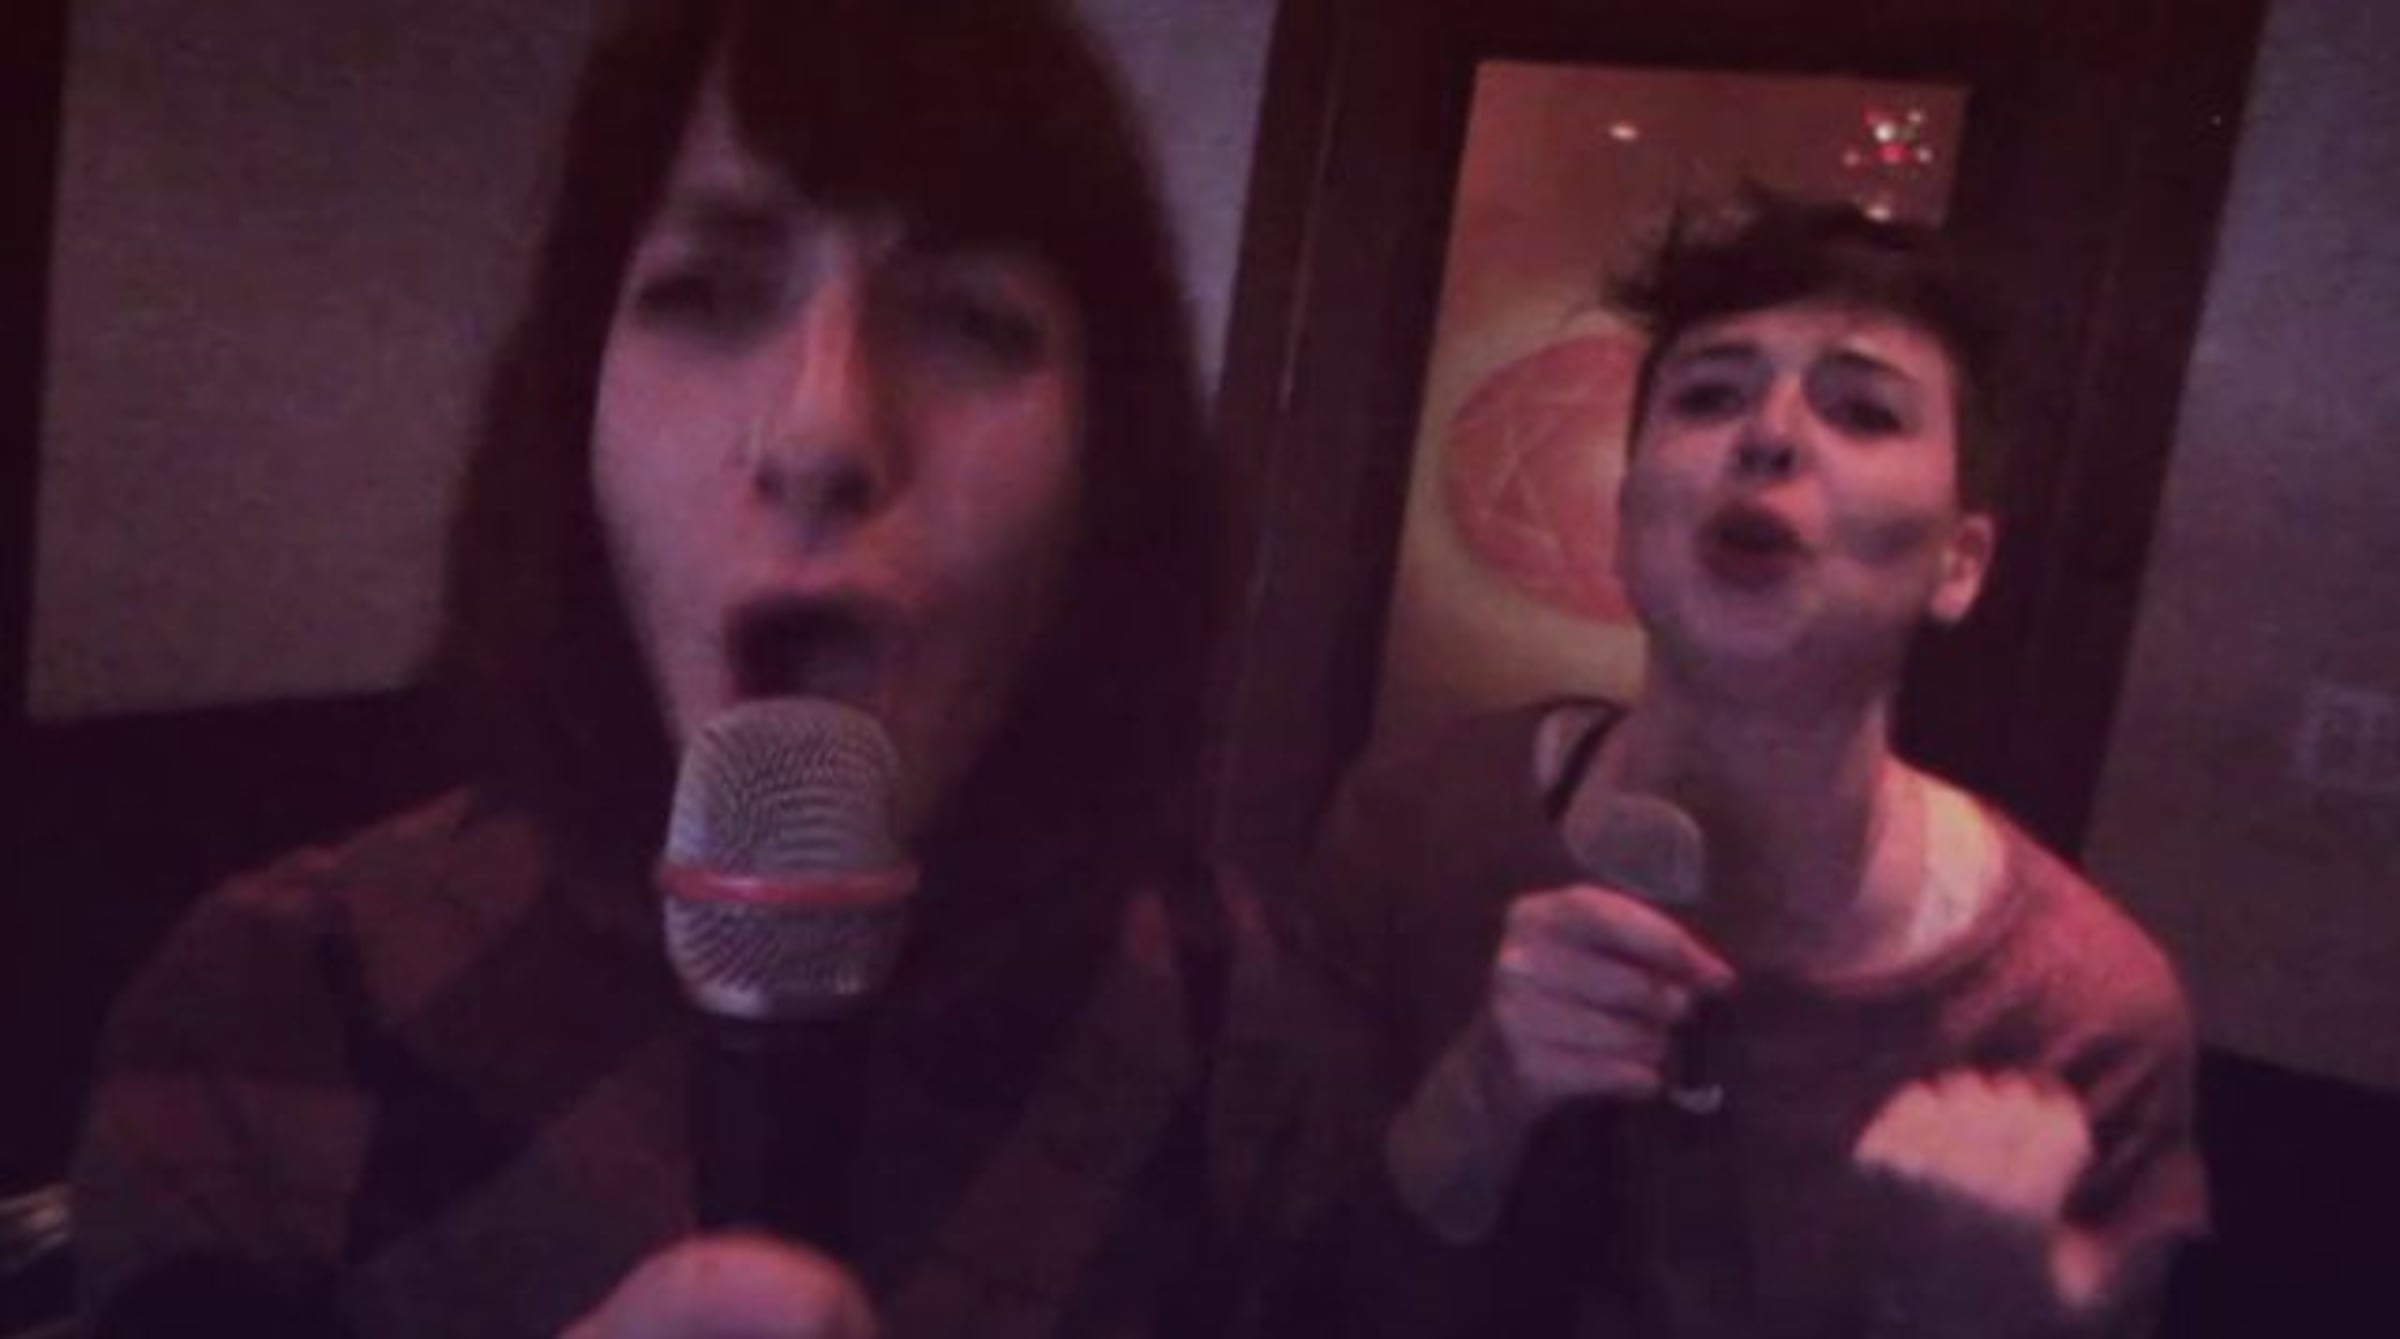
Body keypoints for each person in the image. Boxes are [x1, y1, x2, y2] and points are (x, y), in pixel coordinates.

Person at [71, 3, 1317, 1335]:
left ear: (1107, 475)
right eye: (707, 295)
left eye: (968, 318)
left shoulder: (1211, 1010)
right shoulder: (274, 1005)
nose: (822, 432)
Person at [1307, 196, 2207, 1336]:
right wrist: (1479, 1092)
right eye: (1710, 395)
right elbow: (1289, 1273)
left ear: (1959, 563)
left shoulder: (2080, 1011)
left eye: (1863, 410)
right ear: (1627, 513)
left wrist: (1996, 1312)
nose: (1769, 433)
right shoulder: (1423, 817)